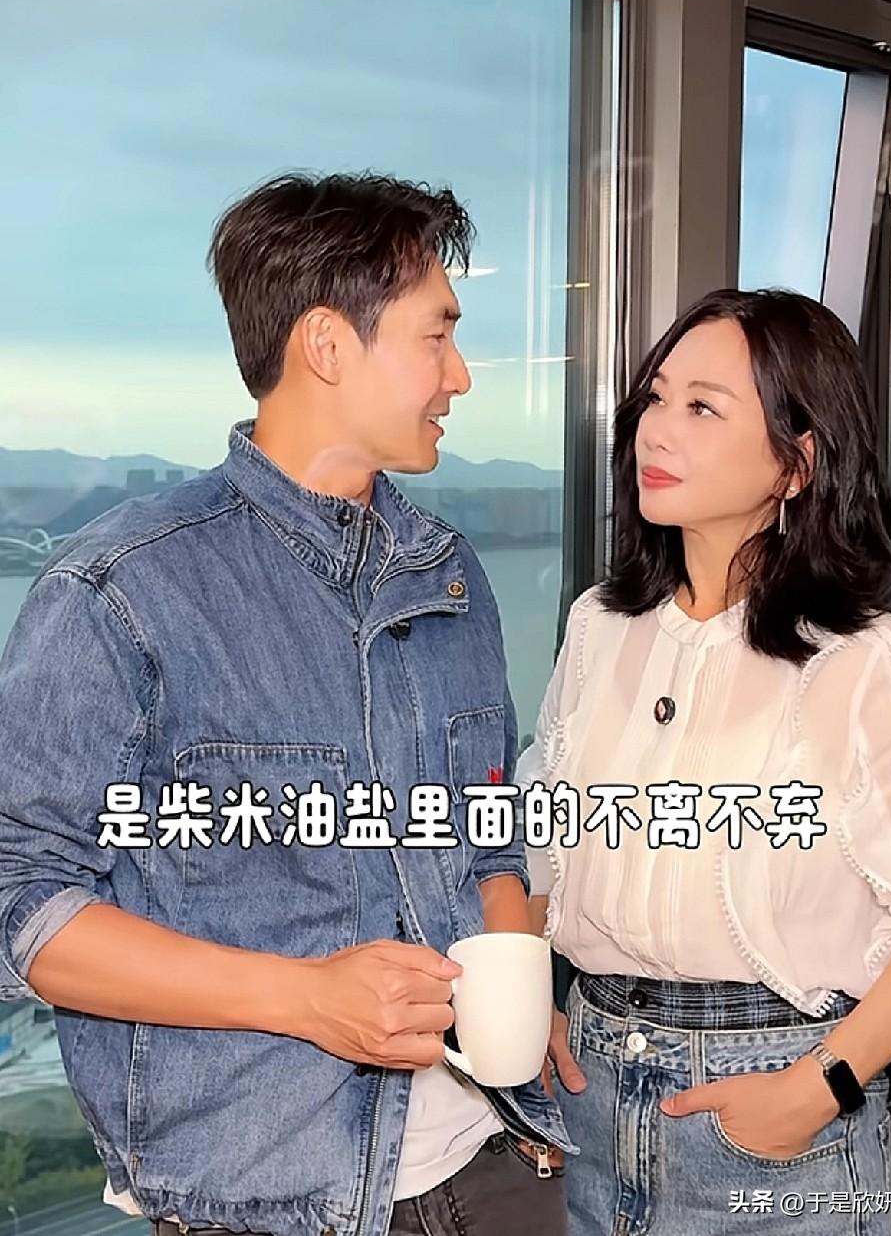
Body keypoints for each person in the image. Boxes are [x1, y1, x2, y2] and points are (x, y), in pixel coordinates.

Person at [0, 173, 572, 1236]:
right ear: (326, 344)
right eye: (437, 334)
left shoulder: (449, 572)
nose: (459, 374)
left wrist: (518, 993)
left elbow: (488, 833)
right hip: (263, 1198)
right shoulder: (120, 588)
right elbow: (21, 903)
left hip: (496, 1156)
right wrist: (304, 996)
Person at [520, 289, 891, 1235]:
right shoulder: (599, 626)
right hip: (593, 1091)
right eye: (656, 399)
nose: (657, 431)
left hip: (776, 1113)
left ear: (797, 463)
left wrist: (818, 1088)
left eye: (703, 407)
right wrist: (531, 997)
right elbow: (545, 836)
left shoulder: (863, 660)